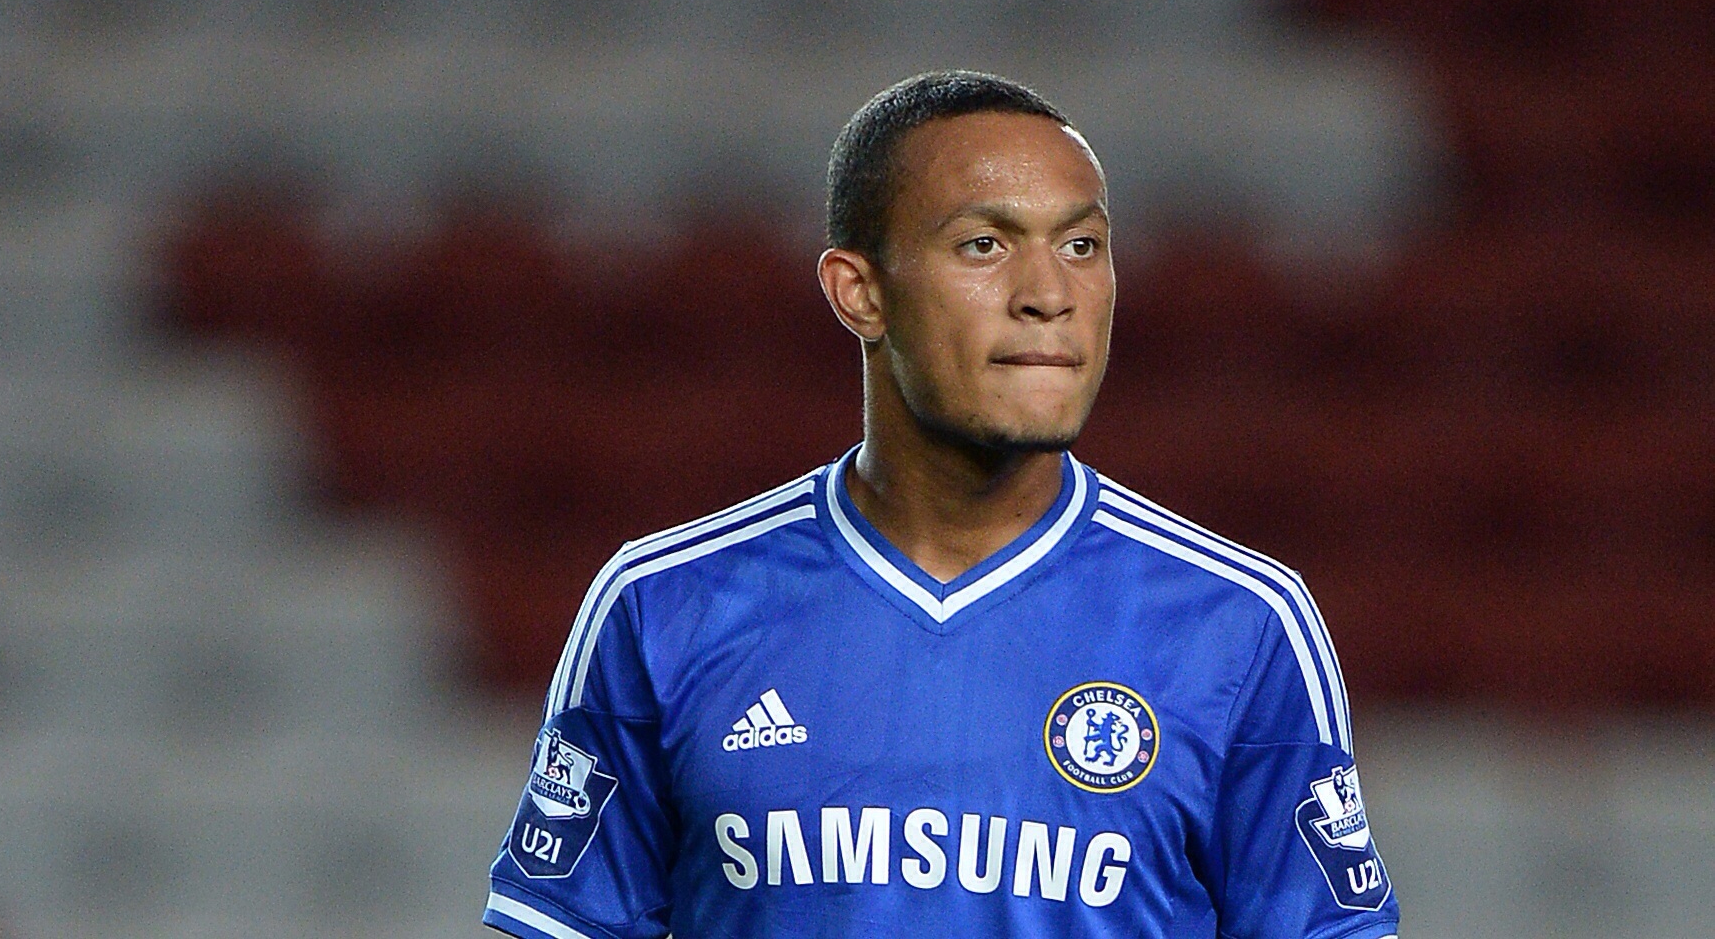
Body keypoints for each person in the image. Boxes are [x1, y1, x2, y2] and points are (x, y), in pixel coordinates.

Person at [484, 70, 1399, 939]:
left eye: (1081, 246)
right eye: (983, 245)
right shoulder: (665, 606)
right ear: (860, 293)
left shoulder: (1240, 624)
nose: (1049, 296)